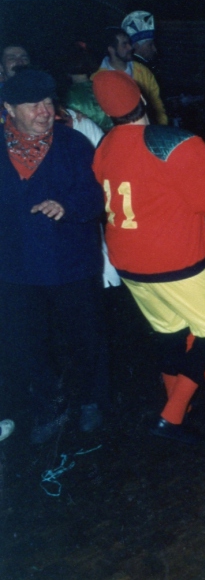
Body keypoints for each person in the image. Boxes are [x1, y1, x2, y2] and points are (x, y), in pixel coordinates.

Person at [92, 69, 205, 445]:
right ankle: (170, 418)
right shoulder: (175, 143)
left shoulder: (104, 145)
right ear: (142, 98)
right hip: (176, 263)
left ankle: (180, 409)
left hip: (127, 262)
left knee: (171, 335)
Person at [0, 70, 110, 441]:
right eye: (34, 105)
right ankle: (49, 407)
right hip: (15, 268)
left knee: (85, 338)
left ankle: (91, 400)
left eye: (48, 102)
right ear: (9, 108)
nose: (45, 111)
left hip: (70, 263)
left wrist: (67, 205)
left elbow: (97, 196)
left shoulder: (73, 143)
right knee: (27, 344)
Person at [96, 27, 168, 125]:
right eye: (124, 44)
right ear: (111, 49)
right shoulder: (98, 78)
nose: (130, 47)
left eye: (129, 43)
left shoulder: (143, 72)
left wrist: (160, 127)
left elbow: (157, 105)